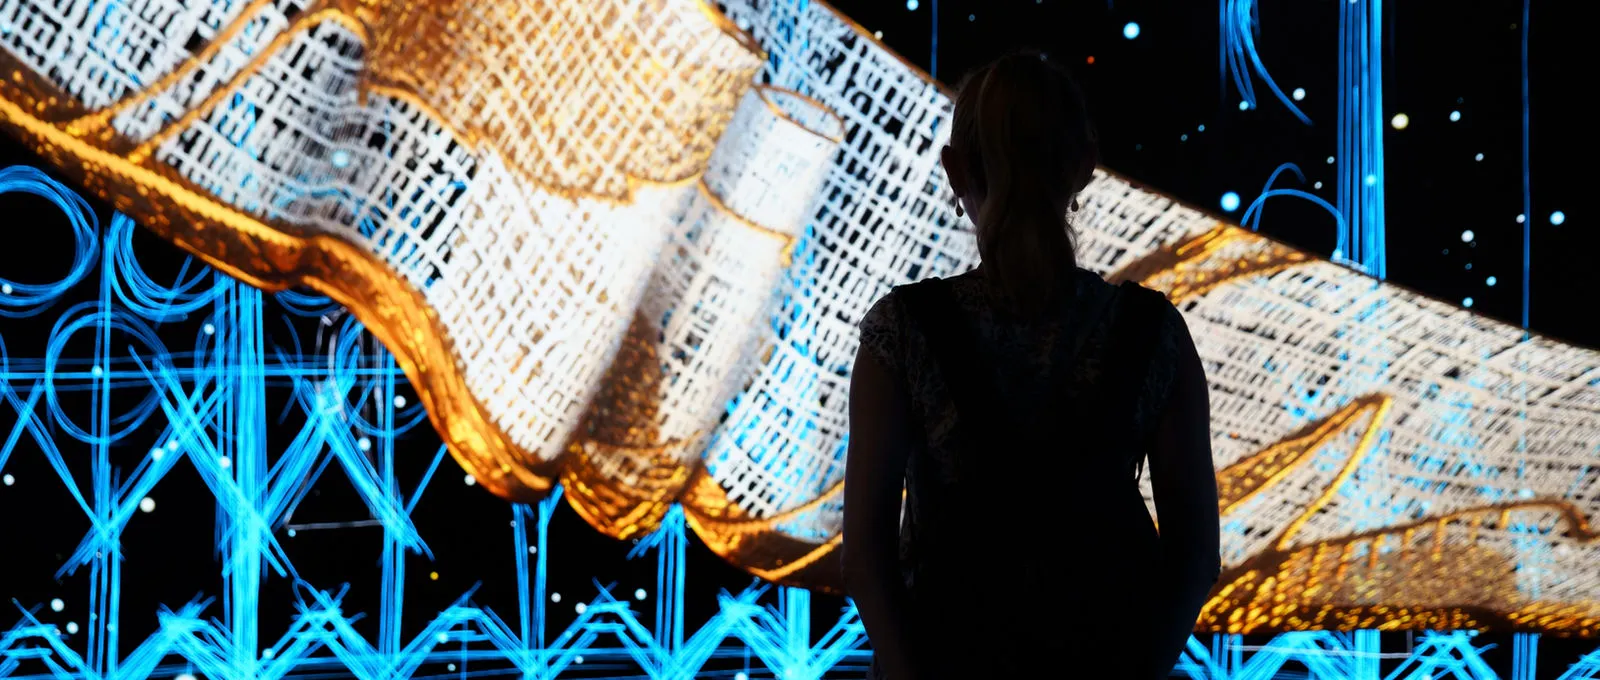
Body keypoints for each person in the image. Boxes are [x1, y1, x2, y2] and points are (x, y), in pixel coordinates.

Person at [842, 51, 1222, 679]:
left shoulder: (901, 331)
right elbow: (1194, 559)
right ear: (1084, 166)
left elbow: (866, 560)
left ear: (954, 169)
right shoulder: (1155, 334)